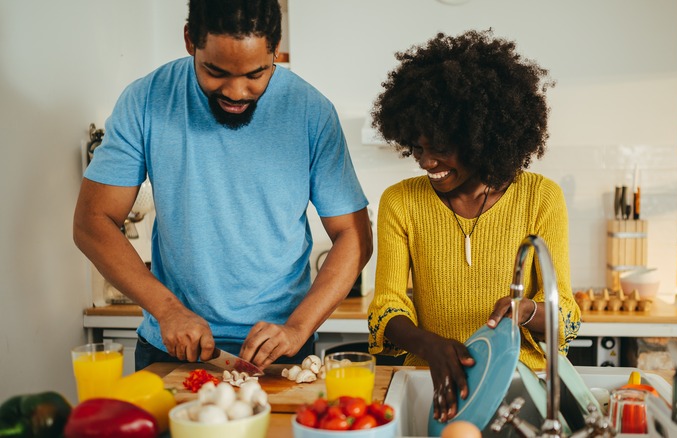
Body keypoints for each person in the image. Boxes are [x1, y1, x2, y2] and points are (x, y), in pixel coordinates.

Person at [73, 0, 372, 372]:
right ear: (189, 41)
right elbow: (93, 220)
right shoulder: (146, 100)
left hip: (281, 352)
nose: (236, 92)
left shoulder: (311, 112)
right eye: (215, 72)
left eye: (255, 74)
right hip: (172, 347)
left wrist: (297, 327)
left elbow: (353, 235)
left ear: (275, 48)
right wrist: (167, 310)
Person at [366, 30, 581, 422]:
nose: (426, 162)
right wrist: (429, 345)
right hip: (432, 379)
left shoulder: (540, 197)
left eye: (441, 148)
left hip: (523, 378)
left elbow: (564, 314)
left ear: (483, 137)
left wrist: (527, 309)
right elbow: (387, 306)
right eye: (417, 147)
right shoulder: (400, 201)